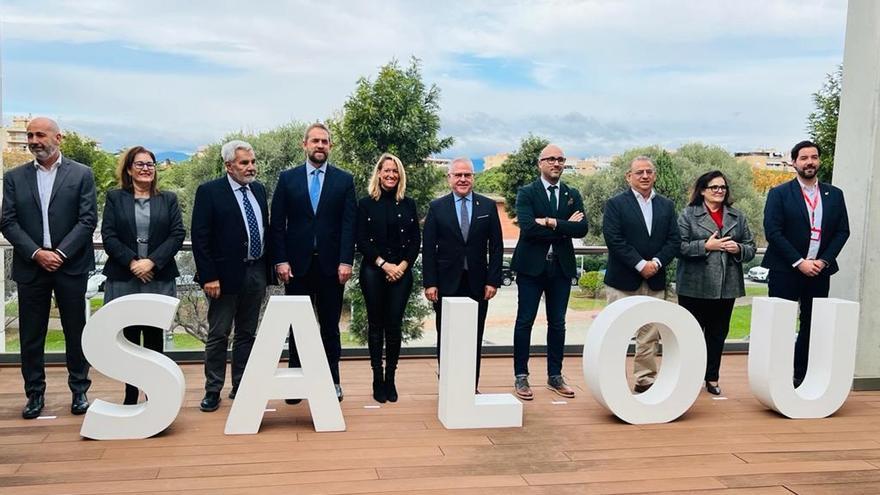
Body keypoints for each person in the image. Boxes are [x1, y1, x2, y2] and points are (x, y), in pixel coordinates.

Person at [0, 117, 97, 419]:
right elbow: (7, 221)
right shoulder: (14, 177)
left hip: (70, 267)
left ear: (59, 138)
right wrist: (36, 253)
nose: (33, 140)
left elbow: (87, 220)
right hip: (32, 268)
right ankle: (34, 395)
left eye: (40, 134)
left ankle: (79, 391)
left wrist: (60, 253)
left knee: (75, 331)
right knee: (31, 335)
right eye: (29, 135)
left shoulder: (82, 174)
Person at [269, 123, 356, 402]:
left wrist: (346, 261)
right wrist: (280, 260)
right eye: (315, 141)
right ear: (304, 144)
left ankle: (333, 382)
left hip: (333, 268)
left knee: (330, 327)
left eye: (325, 141)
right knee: (297, 326)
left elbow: (348, 225)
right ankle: (297, 383)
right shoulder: (287, 179)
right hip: (296, 267)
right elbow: (277, 225)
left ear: (330, 146)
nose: (320, 145)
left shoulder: (344, 180)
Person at [101, 146, 185, 404]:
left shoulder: (168, 198)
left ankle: (154, 396)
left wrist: (151, 263)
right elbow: (109, 235)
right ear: (129, 169)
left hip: (157, 277)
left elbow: (177, 234)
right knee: (127, 338)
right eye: (140, 164)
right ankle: (130, 394)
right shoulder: (115, 198)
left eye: (151, 164)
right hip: (125, 277)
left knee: (153, 336)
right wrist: (133, 262)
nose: (147, 168)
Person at [762, 140, 850, 388]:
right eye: (804, 158)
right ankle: (775, 377)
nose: (809, 162)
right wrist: (799, 262)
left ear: (819, 161)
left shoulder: (834, 194)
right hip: (785, 270)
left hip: (819, 272)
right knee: (781, 324)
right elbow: (773, 232)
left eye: (814, 157)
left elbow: (842, 231)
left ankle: (801, 375)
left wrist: (823, 261)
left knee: (813, 325)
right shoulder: (779, 193)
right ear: (794, 162)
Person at [192, 140, 270, 412]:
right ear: (228, 166)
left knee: (247, 333)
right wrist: (209, 276)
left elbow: (263, 229)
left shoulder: (259, 190)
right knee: (219, 334)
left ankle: (241, 385)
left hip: (255, 272)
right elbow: (200, 238)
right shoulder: (209, 192)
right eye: (244, 163)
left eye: (253, 162)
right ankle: (213, 390)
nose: (251, 167)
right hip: (222, 278)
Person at [511, 144, 588, 400]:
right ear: (540, 163)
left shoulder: (571, 193)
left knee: (558, 323)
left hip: (561, 268)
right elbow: (528, 228)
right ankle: (521, 376)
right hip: (531, 268)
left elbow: (583, 229)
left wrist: (551, 221)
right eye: (551, 159)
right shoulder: (527, 193)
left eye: (561, 159)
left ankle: (555, 375)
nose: (556, 163)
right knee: (525, 321)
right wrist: (565, 226)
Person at [422, 157, 503, 390]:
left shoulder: (487, 207)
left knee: (474, 336)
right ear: (449, 178)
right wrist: (430, 283)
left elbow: (496, 247)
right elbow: (428, 249)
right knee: (447, 336)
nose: (463, 179)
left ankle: (470, 386)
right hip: (446, 283)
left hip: (478, 284)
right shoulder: (437, 207)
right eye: (458, 175)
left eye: (467, 175)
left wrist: (493, 281)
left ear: (473, 178)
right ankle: (447, 385)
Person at [602, 156, 680, 394]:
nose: (645, 176)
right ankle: (611, 380)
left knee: (649, 335)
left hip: (654, 279)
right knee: (616, 333)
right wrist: (639, 264)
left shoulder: (666, 205)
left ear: (654, 175)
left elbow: (674, 240)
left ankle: (644, 380)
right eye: (639, 172)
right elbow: (614, 239)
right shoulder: (615, 204)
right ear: (629, 177)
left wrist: (655, 263)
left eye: (649, 171)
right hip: (622, 281)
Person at [676, 171, 755, 396]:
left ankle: (712, 377)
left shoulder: (737, 216)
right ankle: (687, 377)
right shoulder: (688, 215)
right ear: (702, 190)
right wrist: (705, 246)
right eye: (714, 187)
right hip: (694, 286)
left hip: (726, 286)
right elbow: (679, 247)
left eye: (723, 187)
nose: (719, 191)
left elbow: (750, 248)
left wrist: (738, 248)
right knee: (691, 334)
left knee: (717, 333)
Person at [356, 153, 420, 403]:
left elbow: (416, 240)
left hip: (401, 273)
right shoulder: (365, 203)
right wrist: (384, 265)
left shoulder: (408, 204)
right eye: (387, 170)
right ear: (379, 173)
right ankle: (377, 378)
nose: (391, 175)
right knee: (376, 326)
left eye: (395, 171)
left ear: (400, 175)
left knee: (394, 327)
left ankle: (391, 378)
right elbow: (360, 239)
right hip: (374, 270)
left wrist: (401, 266)